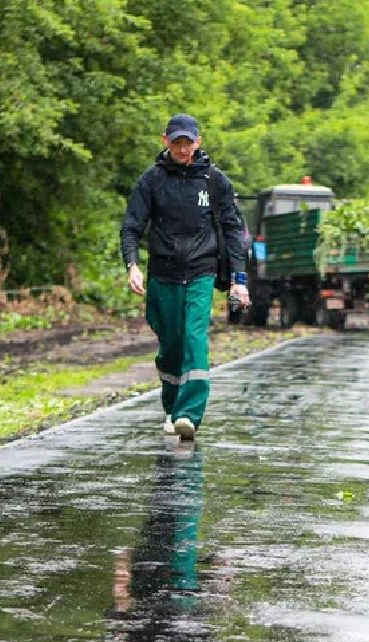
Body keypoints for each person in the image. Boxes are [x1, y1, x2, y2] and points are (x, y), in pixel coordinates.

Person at [119, 113, 250, 440]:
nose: (182, 148)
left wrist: (239, 279)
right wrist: (132, 265)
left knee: (194, 338)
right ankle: (172, 406)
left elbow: (234, 230)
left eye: (187, 142)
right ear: (166, 140)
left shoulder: (214, 180)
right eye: (176, 142)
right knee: (172, 345)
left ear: (197, 142)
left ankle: (189, 414)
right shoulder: (151, 180)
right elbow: (132, 227)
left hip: (200, 272)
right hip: (163, 275)